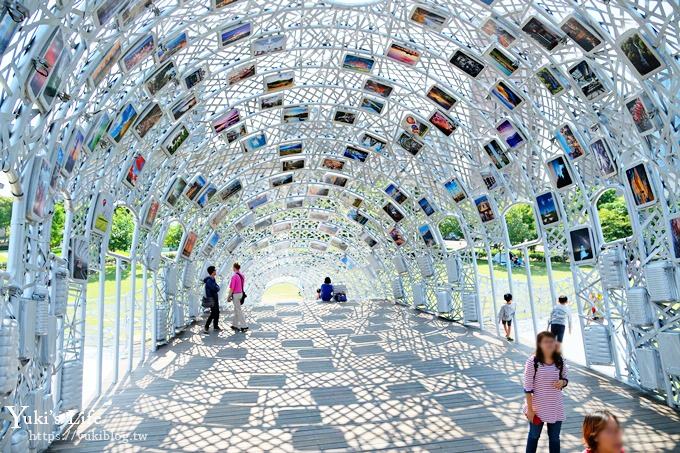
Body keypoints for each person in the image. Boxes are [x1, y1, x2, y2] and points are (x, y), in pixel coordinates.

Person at [523, 331, 569, 453]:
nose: (549, 344)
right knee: (533, 436)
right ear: (539, 344)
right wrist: (530, 409)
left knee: (555, 438)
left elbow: (565, 378)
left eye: (551, 341)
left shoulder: (561, 361)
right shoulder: (533, 362)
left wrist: (562, 382)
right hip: (537, 407)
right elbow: (528, 388)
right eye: (546, 341)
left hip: (555, 406)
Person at [227, 262, 248, 332]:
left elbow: (232, 288)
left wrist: (228, 296)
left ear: (234, 268)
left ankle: (244, 326)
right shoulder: (242, 275)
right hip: (241, 294)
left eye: (233, 267)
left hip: (236, 294)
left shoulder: (234, 276)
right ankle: (234, 325)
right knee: (237, 309)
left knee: (238, 310)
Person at [203, 266, 221, 334]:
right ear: (212, 272)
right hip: (212, 299)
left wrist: (217, 287)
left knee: (217, 312)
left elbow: (217, 287)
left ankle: (215, 326)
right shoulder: (209, 280)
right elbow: (216, 288)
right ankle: (206, 327)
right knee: (213, 313)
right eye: (215, 270)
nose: (216, 271)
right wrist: (217, 287)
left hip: (215, 298)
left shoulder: (213, 279)